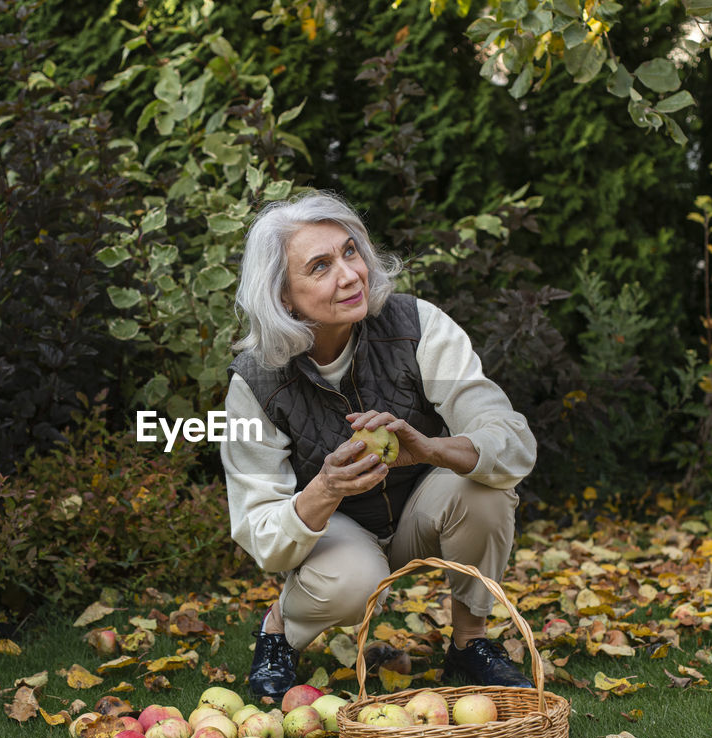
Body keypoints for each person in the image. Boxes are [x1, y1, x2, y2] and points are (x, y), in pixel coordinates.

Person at [220, 190, 537, 700]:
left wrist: (432, 449)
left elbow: (510, 440)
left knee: (485, 488)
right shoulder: (254, 382)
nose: (349, 274)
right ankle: (279, 629)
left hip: (419, 509)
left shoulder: (418, 326)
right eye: (320, 266)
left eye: (350, 252)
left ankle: (470, 641)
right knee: (353, 579)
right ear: (283, 295)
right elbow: (260, 532)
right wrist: (325, 487)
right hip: (337, 534)